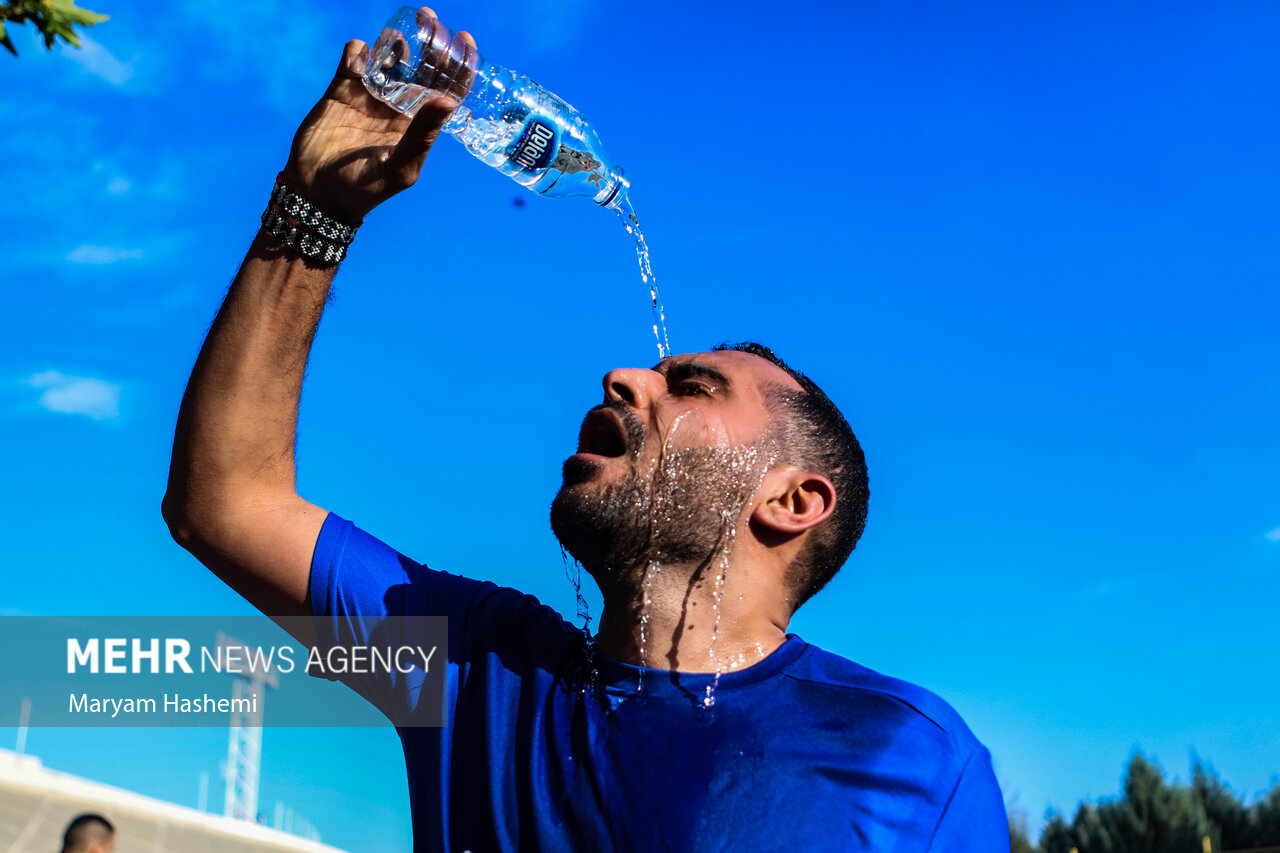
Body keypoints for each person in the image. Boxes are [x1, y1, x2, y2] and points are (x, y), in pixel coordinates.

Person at [163, 11, 1010, 851]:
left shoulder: (912, 762)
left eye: (692, 387)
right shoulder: (476, 666)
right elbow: (224, 500)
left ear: (792, 499)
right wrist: (312, 211)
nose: (624, 376)